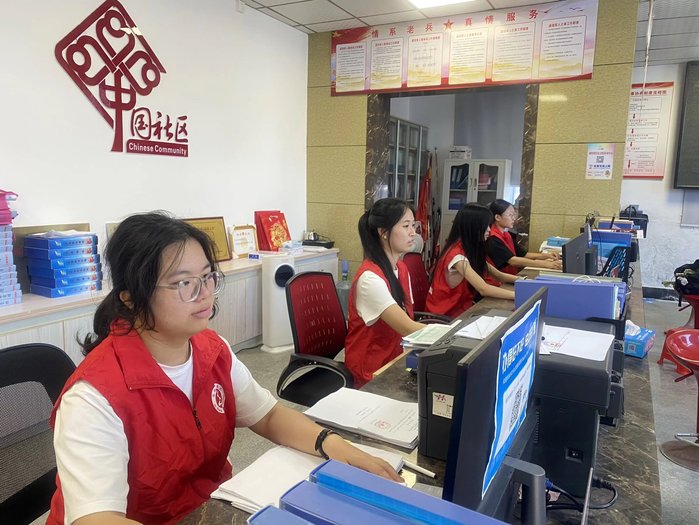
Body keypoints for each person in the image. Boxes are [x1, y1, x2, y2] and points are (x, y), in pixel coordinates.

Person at [47, 211, 401, 525]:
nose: (205, 293)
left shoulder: (211, 349)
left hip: (208, 508)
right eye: (183, 283)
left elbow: (267, 415)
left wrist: (336, 447)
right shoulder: (93, 397)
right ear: (131, 297)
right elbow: (95, 518)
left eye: (207, 276)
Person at [345, 198, 425, 388]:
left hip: (396, 358)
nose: (413, 232)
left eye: (413, 225)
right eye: (406, 226)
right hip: (373, 370)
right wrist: (455, 335)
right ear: (383, 232)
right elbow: (408, 328)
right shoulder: (370, 279)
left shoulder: (401, 268)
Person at [426, 203, 517, 318]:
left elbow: (499, 275)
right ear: (473, 227)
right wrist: (517, 295)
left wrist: (525, 281)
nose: (489, 230)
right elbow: (483, 289)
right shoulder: (457, 256)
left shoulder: (470, 250)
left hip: (463, 310)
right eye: (485, 226)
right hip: (446, 316)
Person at [487, 199, 562, 274]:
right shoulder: (492, 237)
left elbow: (524, 254)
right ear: (497, 217)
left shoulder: (506, 234)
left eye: (514, 215)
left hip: (510, 275)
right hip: (498, 279)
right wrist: (546, 264)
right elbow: (513, 261)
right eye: (510, 215)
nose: (514, 218)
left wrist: (547, 256)